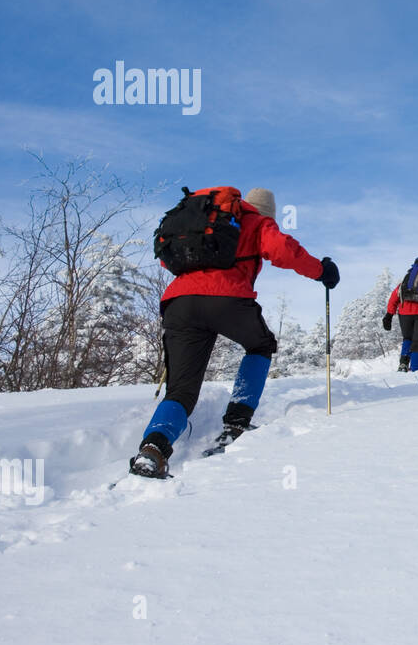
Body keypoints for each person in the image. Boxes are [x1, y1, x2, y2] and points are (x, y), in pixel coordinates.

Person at [130, 187, 339, 478]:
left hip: (179, 303)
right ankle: (236, 423)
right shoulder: (257, 221)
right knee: (260, 345)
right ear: (268, 212)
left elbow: (167, 259)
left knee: (181, 391)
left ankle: (152, 450)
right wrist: (321, 271)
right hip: (227, 300)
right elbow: (282, 251)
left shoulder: (207, 220)